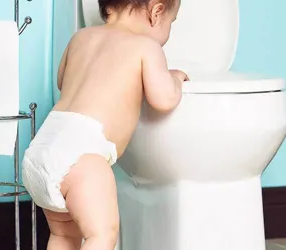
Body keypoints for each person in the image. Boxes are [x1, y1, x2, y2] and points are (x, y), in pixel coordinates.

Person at [20, 0, 188, 249]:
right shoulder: (146, 47)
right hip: (82, 157)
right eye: (171, 23)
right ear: (157, 12)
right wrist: (174, 78)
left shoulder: (80, 37)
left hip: (41, 150)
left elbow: (61, 80)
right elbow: (164, 99)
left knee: (64, 236)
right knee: (101, 236)